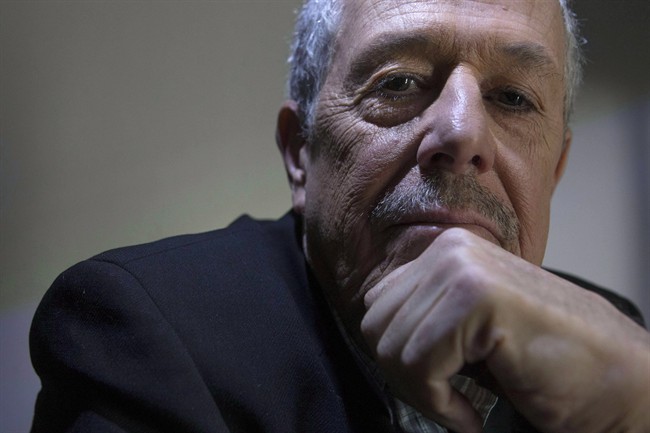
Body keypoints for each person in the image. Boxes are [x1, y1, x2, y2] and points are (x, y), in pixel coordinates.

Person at [30, 0, 649, 432]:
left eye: (512, 98)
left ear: (555, 171)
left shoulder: (611, 346)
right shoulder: (143, 332)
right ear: (300, 151)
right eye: (399, 83)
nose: (463, 133)